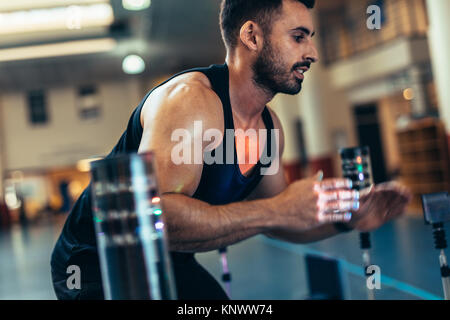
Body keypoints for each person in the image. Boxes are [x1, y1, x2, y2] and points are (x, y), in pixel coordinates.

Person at [51, 0, 411, 300]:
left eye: (310, 39)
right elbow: (157, 218)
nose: (312, 53)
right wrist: (276, 209)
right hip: (97, 263)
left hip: (170, 259)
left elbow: (280, 222)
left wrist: (347, 221)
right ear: (251, 36)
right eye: (298, 37)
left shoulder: (270, 127)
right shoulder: (192, 102)